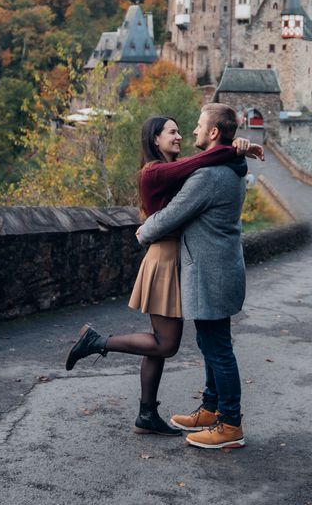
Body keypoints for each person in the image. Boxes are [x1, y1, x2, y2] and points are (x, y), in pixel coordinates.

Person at [65, 114, 262, 437]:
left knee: (161, 342)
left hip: (179, 258)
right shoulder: (155, 172)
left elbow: (208, 164)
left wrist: (237, 147)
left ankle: (147, 414)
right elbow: (204, 162)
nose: (181, 135)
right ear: (154, 139)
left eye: (183, 130)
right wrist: (236, 148)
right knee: (165, 343)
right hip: (165, 258)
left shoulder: (184, 170)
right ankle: (98, 342)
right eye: (172, 132)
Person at [137, 103, 255, 450]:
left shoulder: (207, 176)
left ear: (214, 132)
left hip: (210, 272)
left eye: (200, 126)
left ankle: (230, 424)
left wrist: (144, 231)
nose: (193, 132)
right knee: (211, 343)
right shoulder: (231, 167)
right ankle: (211, 407)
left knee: (217, 348)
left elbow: (173, 215)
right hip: (222, 268)